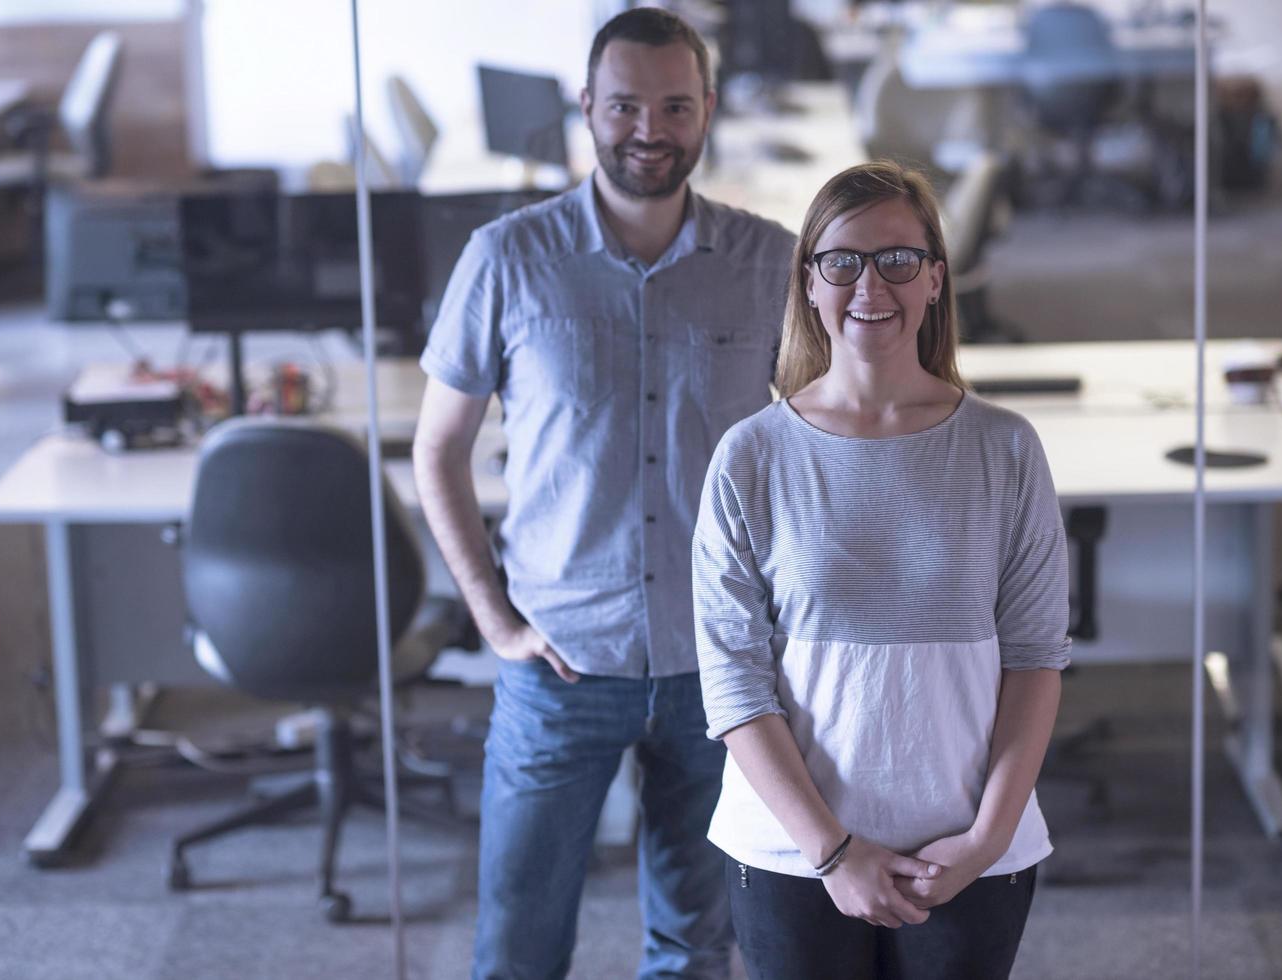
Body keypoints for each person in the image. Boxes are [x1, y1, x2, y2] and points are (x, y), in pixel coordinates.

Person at [412, 9, 795, 979]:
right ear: (587, 107)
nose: (648, 128)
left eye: (674, 105)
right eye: (624, 104)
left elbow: (821, 442)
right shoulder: (506, 258)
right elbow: (438, 449)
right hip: (560, 662)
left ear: (707, 109)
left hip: (721, 668)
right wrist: (494, 620)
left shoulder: (768, 264)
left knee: (696, 944)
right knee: (518, 943)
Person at [691, 160, 1071, 980]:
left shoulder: (1005, 448)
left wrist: (985, 841)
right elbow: (733, 683)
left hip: (967, 847)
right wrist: (833, 851)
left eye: (898, 259)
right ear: (810, 282)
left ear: (936, 277)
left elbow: (1036, 658)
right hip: (794, 850)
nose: (872, 284)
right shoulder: (751, 456)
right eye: (844, 261)